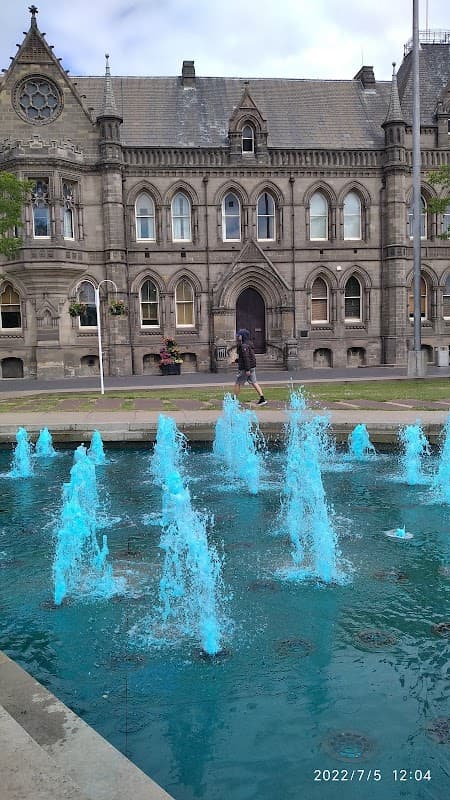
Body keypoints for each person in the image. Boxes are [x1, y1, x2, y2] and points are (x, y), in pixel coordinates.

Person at [233, 328, 268, 405]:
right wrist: (238, 360)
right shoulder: (249, 344)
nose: (238, 336)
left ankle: (234, 400)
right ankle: (262, 398)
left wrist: (247, 369)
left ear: (243, 336)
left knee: (238, 383)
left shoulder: (244, 346)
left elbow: (246, 358)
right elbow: (247, 357)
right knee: (254, 382)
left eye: (239, 335)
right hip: (251, 367)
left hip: (246, 368)